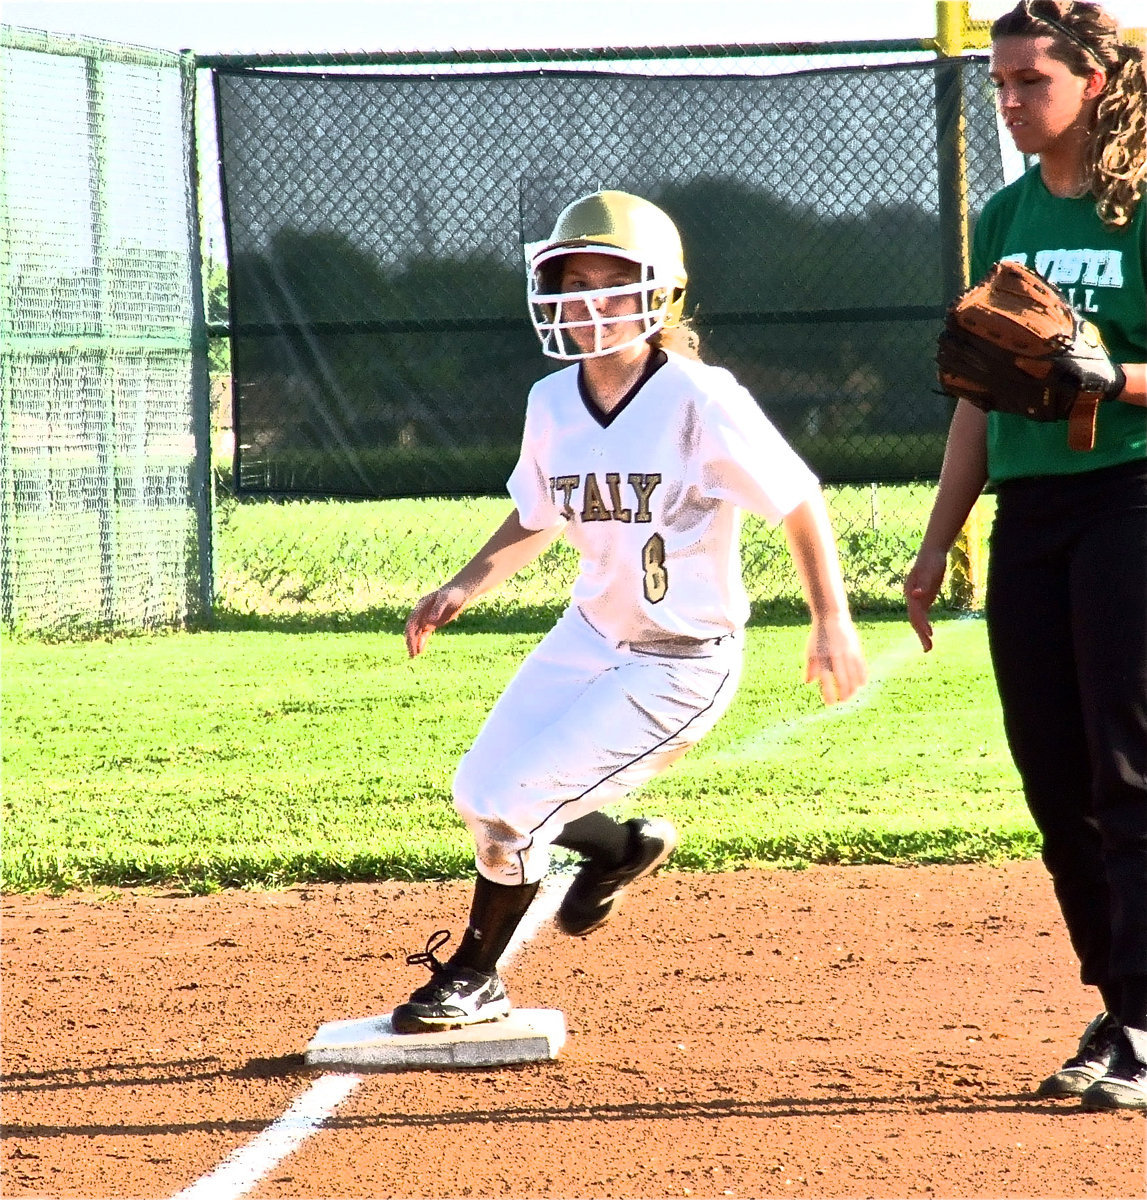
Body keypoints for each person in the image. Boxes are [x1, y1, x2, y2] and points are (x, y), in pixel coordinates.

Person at [392, 189, 868, 1035]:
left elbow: (798, 499)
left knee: (513, 801)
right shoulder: (550, 402)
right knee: (478, 791)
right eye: (570, 284)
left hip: (680, 659)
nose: (586, 304)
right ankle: (619, 849)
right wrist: (465, 582)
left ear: (661, 295)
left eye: (610, 285)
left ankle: (476, 973)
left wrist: (830, 619)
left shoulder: (699, 397)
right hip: (589, 635)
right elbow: (537, 514)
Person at [905, 0, 1146, 1111]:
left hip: (1132, 499)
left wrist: (1113, 378)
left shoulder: (1138, 205)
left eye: (1026, 82)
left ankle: (1143, 1021)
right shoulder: (1002, 215)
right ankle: (1121, 999)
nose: (1004, 102)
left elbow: (1099, 377)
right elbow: (979, 396)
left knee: (1125, 766)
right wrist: (935, 542)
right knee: (1054, 778)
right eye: (995, 82)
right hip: (1032, 518)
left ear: (1091, 84)